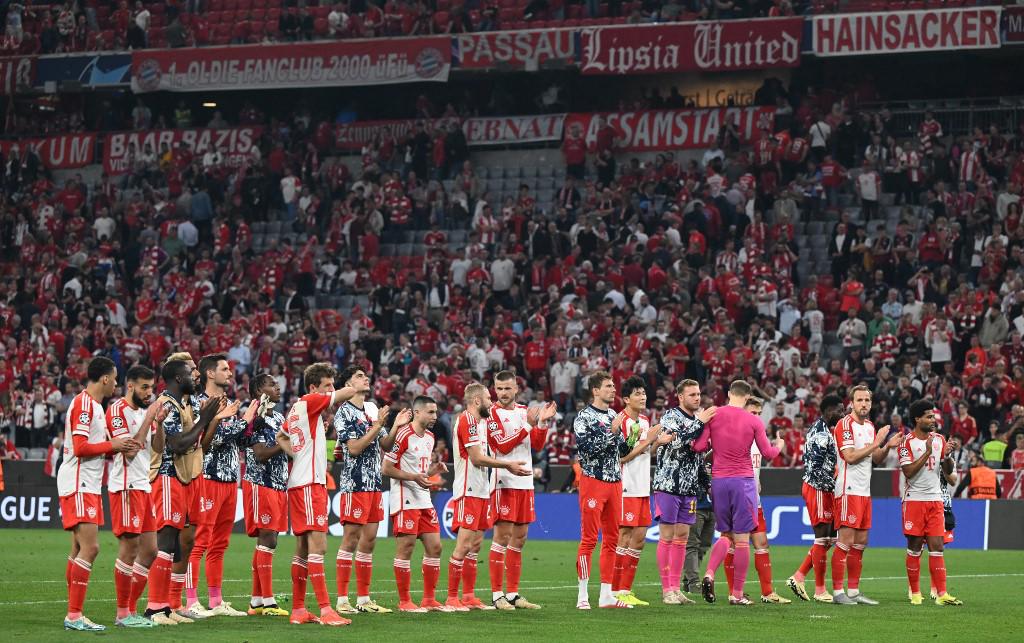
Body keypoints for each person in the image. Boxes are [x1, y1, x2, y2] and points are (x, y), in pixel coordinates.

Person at [144, 358, 229, 626]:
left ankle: (169, 604)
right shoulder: (167, 405)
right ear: (179, 379)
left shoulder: (184, 404)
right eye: (191, 374)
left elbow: (196, 442)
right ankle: (154, 608)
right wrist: (205, 419)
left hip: (184, 477)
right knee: (167, 540)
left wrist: (208, 418)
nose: (195, 378)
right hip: (167, 475)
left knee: (181, 543)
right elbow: (178, 445)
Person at [58, 357, 139, 631]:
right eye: (114, 378)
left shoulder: (94, 406)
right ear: (105, 378)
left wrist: (116, 447)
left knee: (78, 548)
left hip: (87, 483)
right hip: (79, 482)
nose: (116, 383)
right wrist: (112, 445)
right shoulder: (84, 404)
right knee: (91, 548)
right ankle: (74, 615)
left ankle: (73, 612)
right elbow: (81, 447)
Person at [275, 362, 357, 626]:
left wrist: (299, 455)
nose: (331, 390)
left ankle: (298, 610)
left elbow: (281, 437)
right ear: (313, 388)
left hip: (301, 482)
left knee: (302, 548)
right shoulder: (310, 401)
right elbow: (346, 394)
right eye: (327, 386)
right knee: (318, 547)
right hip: (310, 484)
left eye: (332, 385)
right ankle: (325, 610)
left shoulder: (298, 409)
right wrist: (354, 385)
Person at [693, 379, 782, 605]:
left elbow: (699, 447)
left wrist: (701, 423)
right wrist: (779, 446)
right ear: (747, 396)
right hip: (743, 482)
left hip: (719, 482)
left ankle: (709, 573)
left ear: (729, 393)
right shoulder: (753, 420)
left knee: (726, 535)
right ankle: (737, 594)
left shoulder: (714, 414)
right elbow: (768, 453)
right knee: (742, 541)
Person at [447, 383, 531, 611]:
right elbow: (476, 458)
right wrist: (507, 465)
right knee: (463, 546)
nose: (491, 402)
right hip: (468, 490)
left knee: (475, 546)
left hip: (482, 490)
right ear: (477, 401)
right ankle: (452, 598)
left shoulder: (481, 423)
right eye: (487, 398)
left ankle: (469, 596)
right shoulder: (467, 421)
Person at [188, 354, 254, 617]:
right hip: (207, 477)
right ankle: (191, 600)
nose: (230, 373)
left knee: (219, 544)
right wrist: (243, 421)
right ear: (210, 373)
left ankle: (216, 601)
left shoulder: (228, 402)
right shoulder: (198, 403)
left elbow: (237, 440)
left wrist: (250, 424)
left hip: (230, 480)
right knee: (199, 541)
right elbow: (209, 440)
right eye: (224, 369)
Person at [332, 366, 401, 614]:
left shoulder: (371, 408)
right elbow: (353, 449)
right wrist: (377, 425)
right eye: (359, 376)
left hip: (374, 484)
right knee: (350, 539)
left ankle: (363, 599)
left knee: (369, 541)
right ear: (348, 385)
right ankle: (342, 600)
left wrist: (394, 426)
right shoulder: (344, 412)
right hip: (355, 483)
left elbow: (386, 444)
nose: (366, 378)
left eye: (365, 375)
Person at [574, 371, 644, 610]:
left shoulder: (614, 415)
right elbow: (586, 450)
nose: (613, 390)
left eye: (613, 386)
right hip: (593, 481)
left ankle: (606, 595)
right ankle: (582, 595)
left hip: (615, 483)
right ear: (595, 390)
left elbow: (621, 451)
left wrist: (632, 437)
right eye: (608, 386)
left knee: (612, 539)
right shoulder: (584, 417)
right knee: (589, 539)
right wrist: (611, 432)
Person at [487, 370, 556, 610]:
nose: (503, 393)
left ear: (516, 388)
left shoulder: (524, 411)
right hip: (504, 481)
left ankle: (513, 594)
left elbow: (536, 445)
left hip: (525, 483)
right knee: (502, 537)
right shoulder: (491, 413)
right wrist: (529, 424)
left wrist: (542, 423)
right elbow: (502, 447)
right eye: (499, 388)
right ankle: (497, 595)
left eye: (508, 388)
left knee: (520, 538)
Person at [830, 385, 901, 605]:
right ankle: (837, 592)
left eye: (867, 400)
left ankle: (853, 591)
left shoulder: (870, 426)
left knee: (861, 542)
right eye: (859, 400)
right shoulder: (844, 425)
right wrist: (877, 443)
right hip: (848, 489)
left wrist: (886, 447)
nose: (864, 404)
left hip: (864, 490)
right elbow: (850, 457)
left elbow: (875, 458)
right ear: (851, 403)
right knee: (845, 541)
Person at [105, 365, 164, 628]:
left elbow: (158, 448)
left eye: (152, 387)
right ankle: (122, 614)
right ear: (130, 386)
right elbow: (128, 451)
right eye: (144, 387)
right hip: (126, 487)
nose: (149, 392)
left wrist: (158, 422)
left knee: (150, 551)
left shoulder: (144, 412)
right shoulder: (117, 410)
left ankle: (130, 610)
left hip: (144, 485)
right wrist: (149, 418)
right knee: (130, 549)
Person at [381, 397, 450, 612]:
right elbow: (386, 468)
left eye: (435, 412)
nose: (435, 416)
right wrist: (413, 477)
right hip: (405, 498)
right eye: (430, 412)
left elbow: (420, 472)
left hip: (423, 498)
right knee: (406, 548)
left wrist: (433, 470)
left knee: (435, 547)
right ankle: (405, 602)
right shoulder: (403, 434)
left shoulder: (430, 437)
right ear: (417, 412)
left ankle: (429, 599)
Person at [651, 379, 714, 605]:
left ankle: (676, 588)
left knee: (682, 538)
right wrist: (700, 422)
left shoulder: (698, 421)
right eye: (692, 394)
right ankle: (666, 589)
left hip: (689, 489)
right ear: (680, 397)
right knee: (667, 537)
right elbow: (677, 442)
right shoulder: (670, 417)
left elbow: (698, 458)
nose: (697, 398)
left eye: (698, 394)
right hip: (668, 485)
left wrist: (707, 484)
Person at [611, 376, 668, 606]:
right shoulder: (619, 422)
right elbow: (622, 457)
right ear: (626, 399)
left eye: (643, 393)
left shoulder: (644, 420)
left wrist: (657, 443)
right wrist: (648, 441)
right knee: (624, 536)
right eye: (637, 393)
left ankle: (626, 589)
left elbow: (644, 453)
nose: (643, 397)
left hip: (643, 486)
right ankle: (614, 591)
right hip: (625, 486)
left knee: (640, 539)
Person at [899, 399, 962, 606]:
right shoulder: (906, 442)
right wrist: (927, 452)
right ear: (917, 419)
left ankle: (942, 594)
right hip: (914, 501)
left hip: (935, 501)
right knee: (915, 547)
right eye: (928, 416)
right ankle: (916, 593)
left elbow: (948, 470)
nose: (933, 420)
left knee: (937, 546)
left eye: (933, 416)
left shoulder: (939, 439)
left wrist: (948, 456)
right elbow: (908, 472)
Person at [788, 394, 845, 603]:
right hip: (818, 488)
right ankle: (819, 590)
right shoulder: (820, 433)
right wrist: (835, 486)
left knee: (830, 539)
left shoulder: (823, 430)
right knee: (822, 539)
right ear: (829, 410)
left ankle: (799, 576)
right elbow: (815, 468)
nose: (842, 414)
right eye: (839, 410)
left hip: (824, 489)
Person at [242, 373, 290, 617]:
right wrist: (284, 443)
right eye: (272, 384)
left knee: (268, 540)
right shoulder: (254, 417)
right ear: (259, 391)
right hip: (261, 482)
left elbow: (289, 446)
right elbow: (260, 454)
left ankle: (256, 602)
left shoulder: (279, 417)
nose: (277, 387)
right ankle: (269, 602)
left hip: (278, 484)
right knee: (268, 538)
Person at [739, 397, 791, 605]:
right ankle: (736, 592)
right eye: (753, 413)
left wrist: (757, 481)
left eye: (759, 414)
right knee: (736, 545)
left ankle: (768, 593)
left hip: (754, 499)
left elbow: (759, 463)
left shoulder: (758, 438)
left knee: (762, 544)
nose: (757, 417)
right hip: (737, 499)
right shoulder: (734, 435)